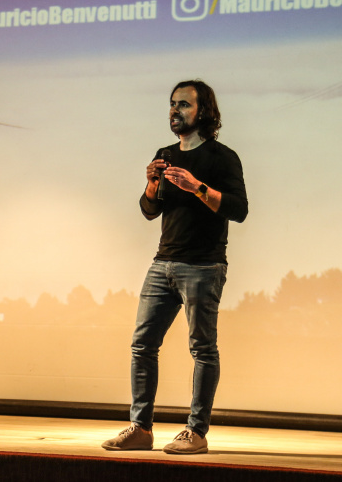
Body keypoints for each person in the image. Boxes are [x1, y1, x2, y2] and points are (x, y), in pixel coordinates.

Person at [102, 80, 248, 454]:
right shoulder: (165, 154)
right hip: (162, 263)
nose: (174, 110)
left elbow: (239, 210)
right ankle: (141, 429)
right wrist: (152, 185)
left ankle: (195, 431)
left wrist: (197, 186)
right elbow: (150, 211)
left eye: (184, 104)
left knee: (202, 349)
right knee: (142, 345)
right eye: (172, 104)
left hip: (203, 266)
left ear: (204, 111)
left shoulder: (222, 157)